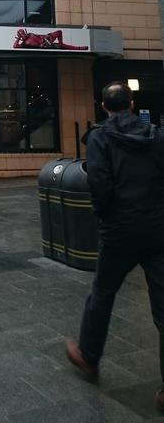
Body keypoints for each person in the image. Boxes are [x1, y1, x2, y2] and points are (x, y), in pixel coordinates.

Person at [65, 82, 164, 411]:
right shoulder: (156, 135)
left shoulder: (99, 137)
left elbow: (99, 183)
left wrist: (105, 215)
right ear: (132, 104)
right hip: (156, 228)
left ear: (104, 107)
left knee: (103, 293)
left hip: (119, 230)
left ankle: (89, 357)